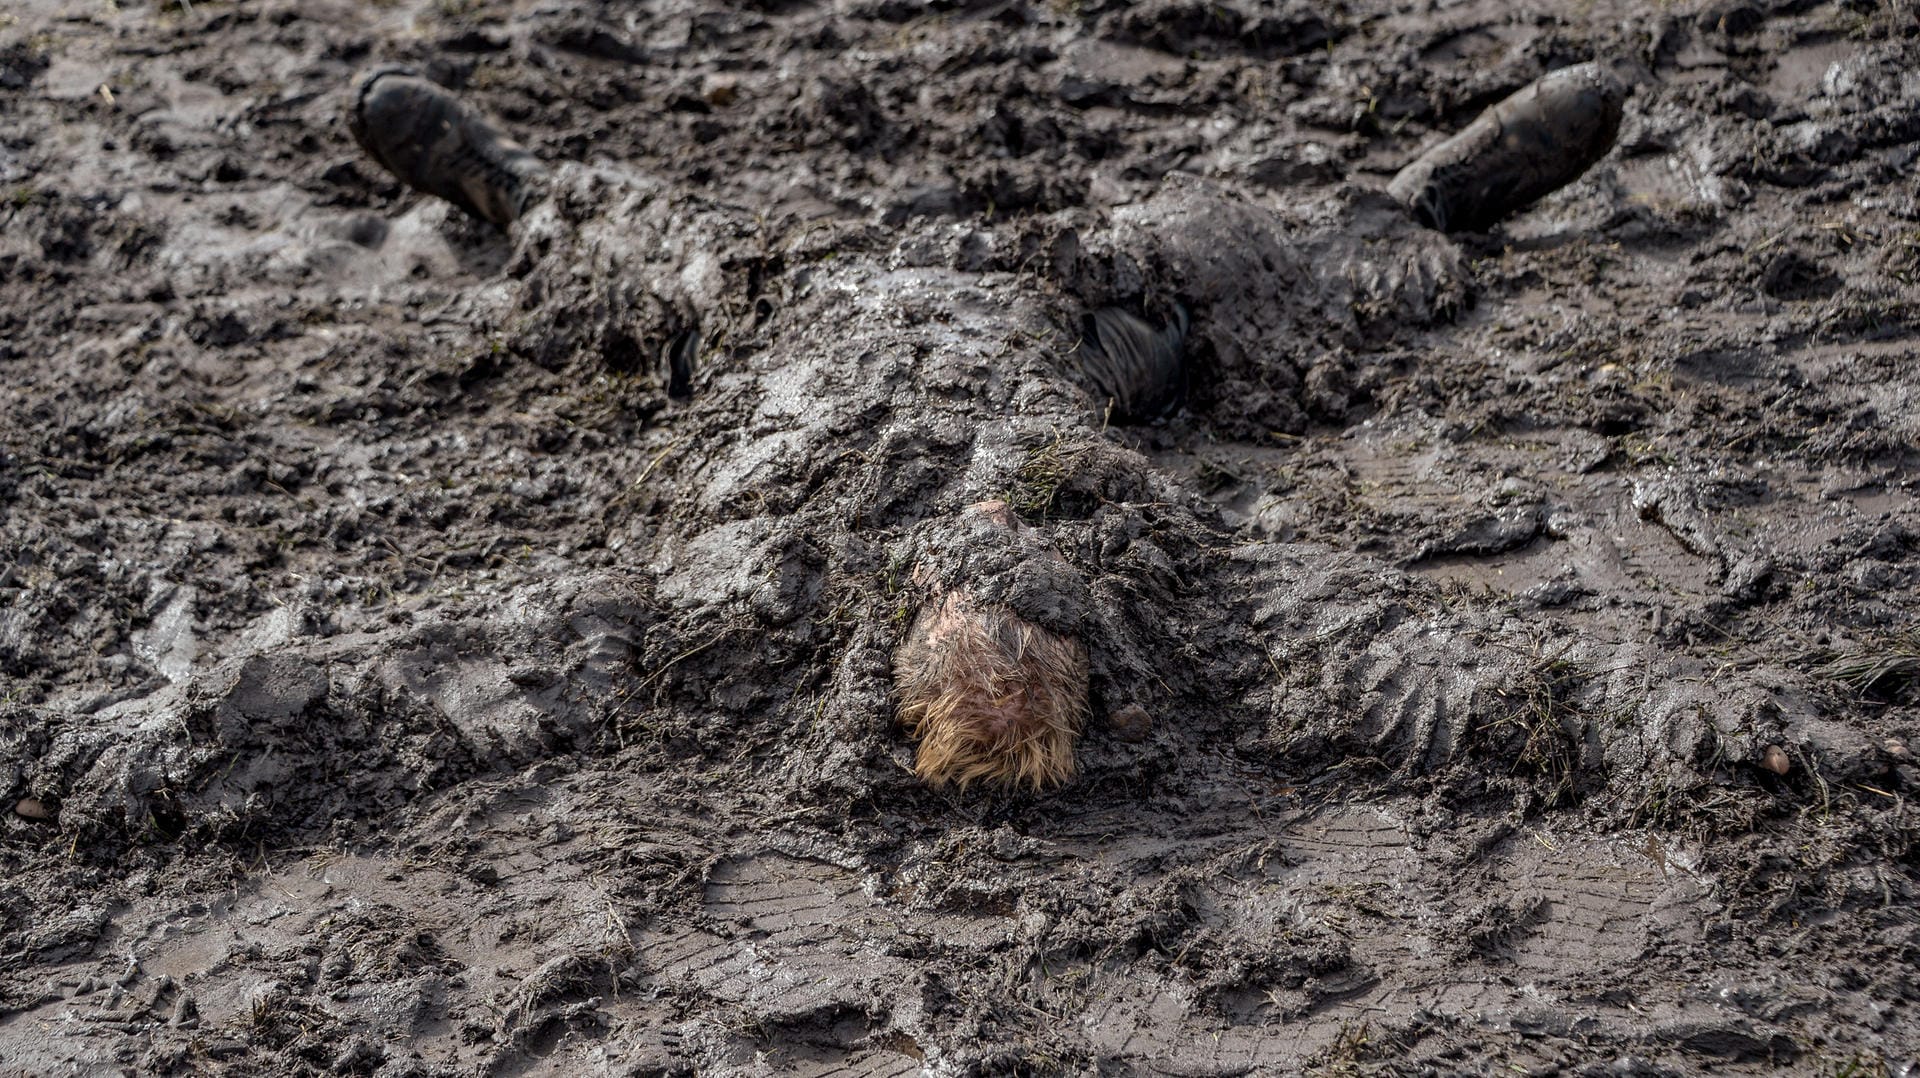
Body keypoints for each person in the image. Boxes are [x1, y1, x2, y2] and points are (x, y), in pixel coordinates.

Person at [344, 60, 1627, 790]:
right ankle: (1430, 197)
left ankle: (504, 185)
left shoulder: (763, 586)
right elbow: (1417, 660)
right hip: (1058, 329)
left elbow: (476, 655)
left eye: (971, 591)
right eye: (1026, 587)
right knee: (1228, 262)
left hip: (801, 324)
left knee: (658, 261)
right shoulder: (1145, 582)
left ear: (900, 642)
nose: (992, 531)